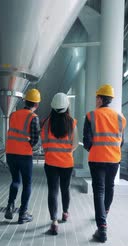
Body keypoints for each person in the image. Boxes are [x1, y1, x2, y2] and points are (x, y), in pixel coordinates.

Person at [83, 84, 126, 243]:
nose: (96, 100)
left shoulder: (91, 116)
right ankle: (104, 214)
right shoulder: (121, 117)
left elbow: (86, 142)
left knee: (99, 191)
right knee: (109, 187)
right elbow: (122, 142)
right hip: (114, 159)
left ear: (100, 98)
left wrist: (94, 148)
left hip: (96, 159)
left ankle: (102, 227)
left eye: (96, 98)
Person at [41, 93, 78, 235]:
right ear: (67, 106)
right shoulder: (72, 123)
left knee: (53, 191)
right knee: (65, 188)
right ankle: (65, 213)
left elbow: (44, 144)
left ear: (52, 107)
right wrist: (66, 152)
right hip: (67, 163)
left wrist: (51, 152)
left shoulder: (45, 123)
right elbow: (74, 144)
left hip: (50, 162)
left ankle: (54, 222)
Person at [4, 88, 41, 224]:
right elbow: (35, 139)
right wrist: (29, 145)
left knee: (15, 180)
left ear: (25, 101)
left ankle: (10, 205)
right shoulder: (33, 118)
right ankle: (23, 214)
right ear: (36, 105)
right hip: (24, 155)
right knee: (27, 184)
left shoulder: (13, 115)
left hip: (10, 154)